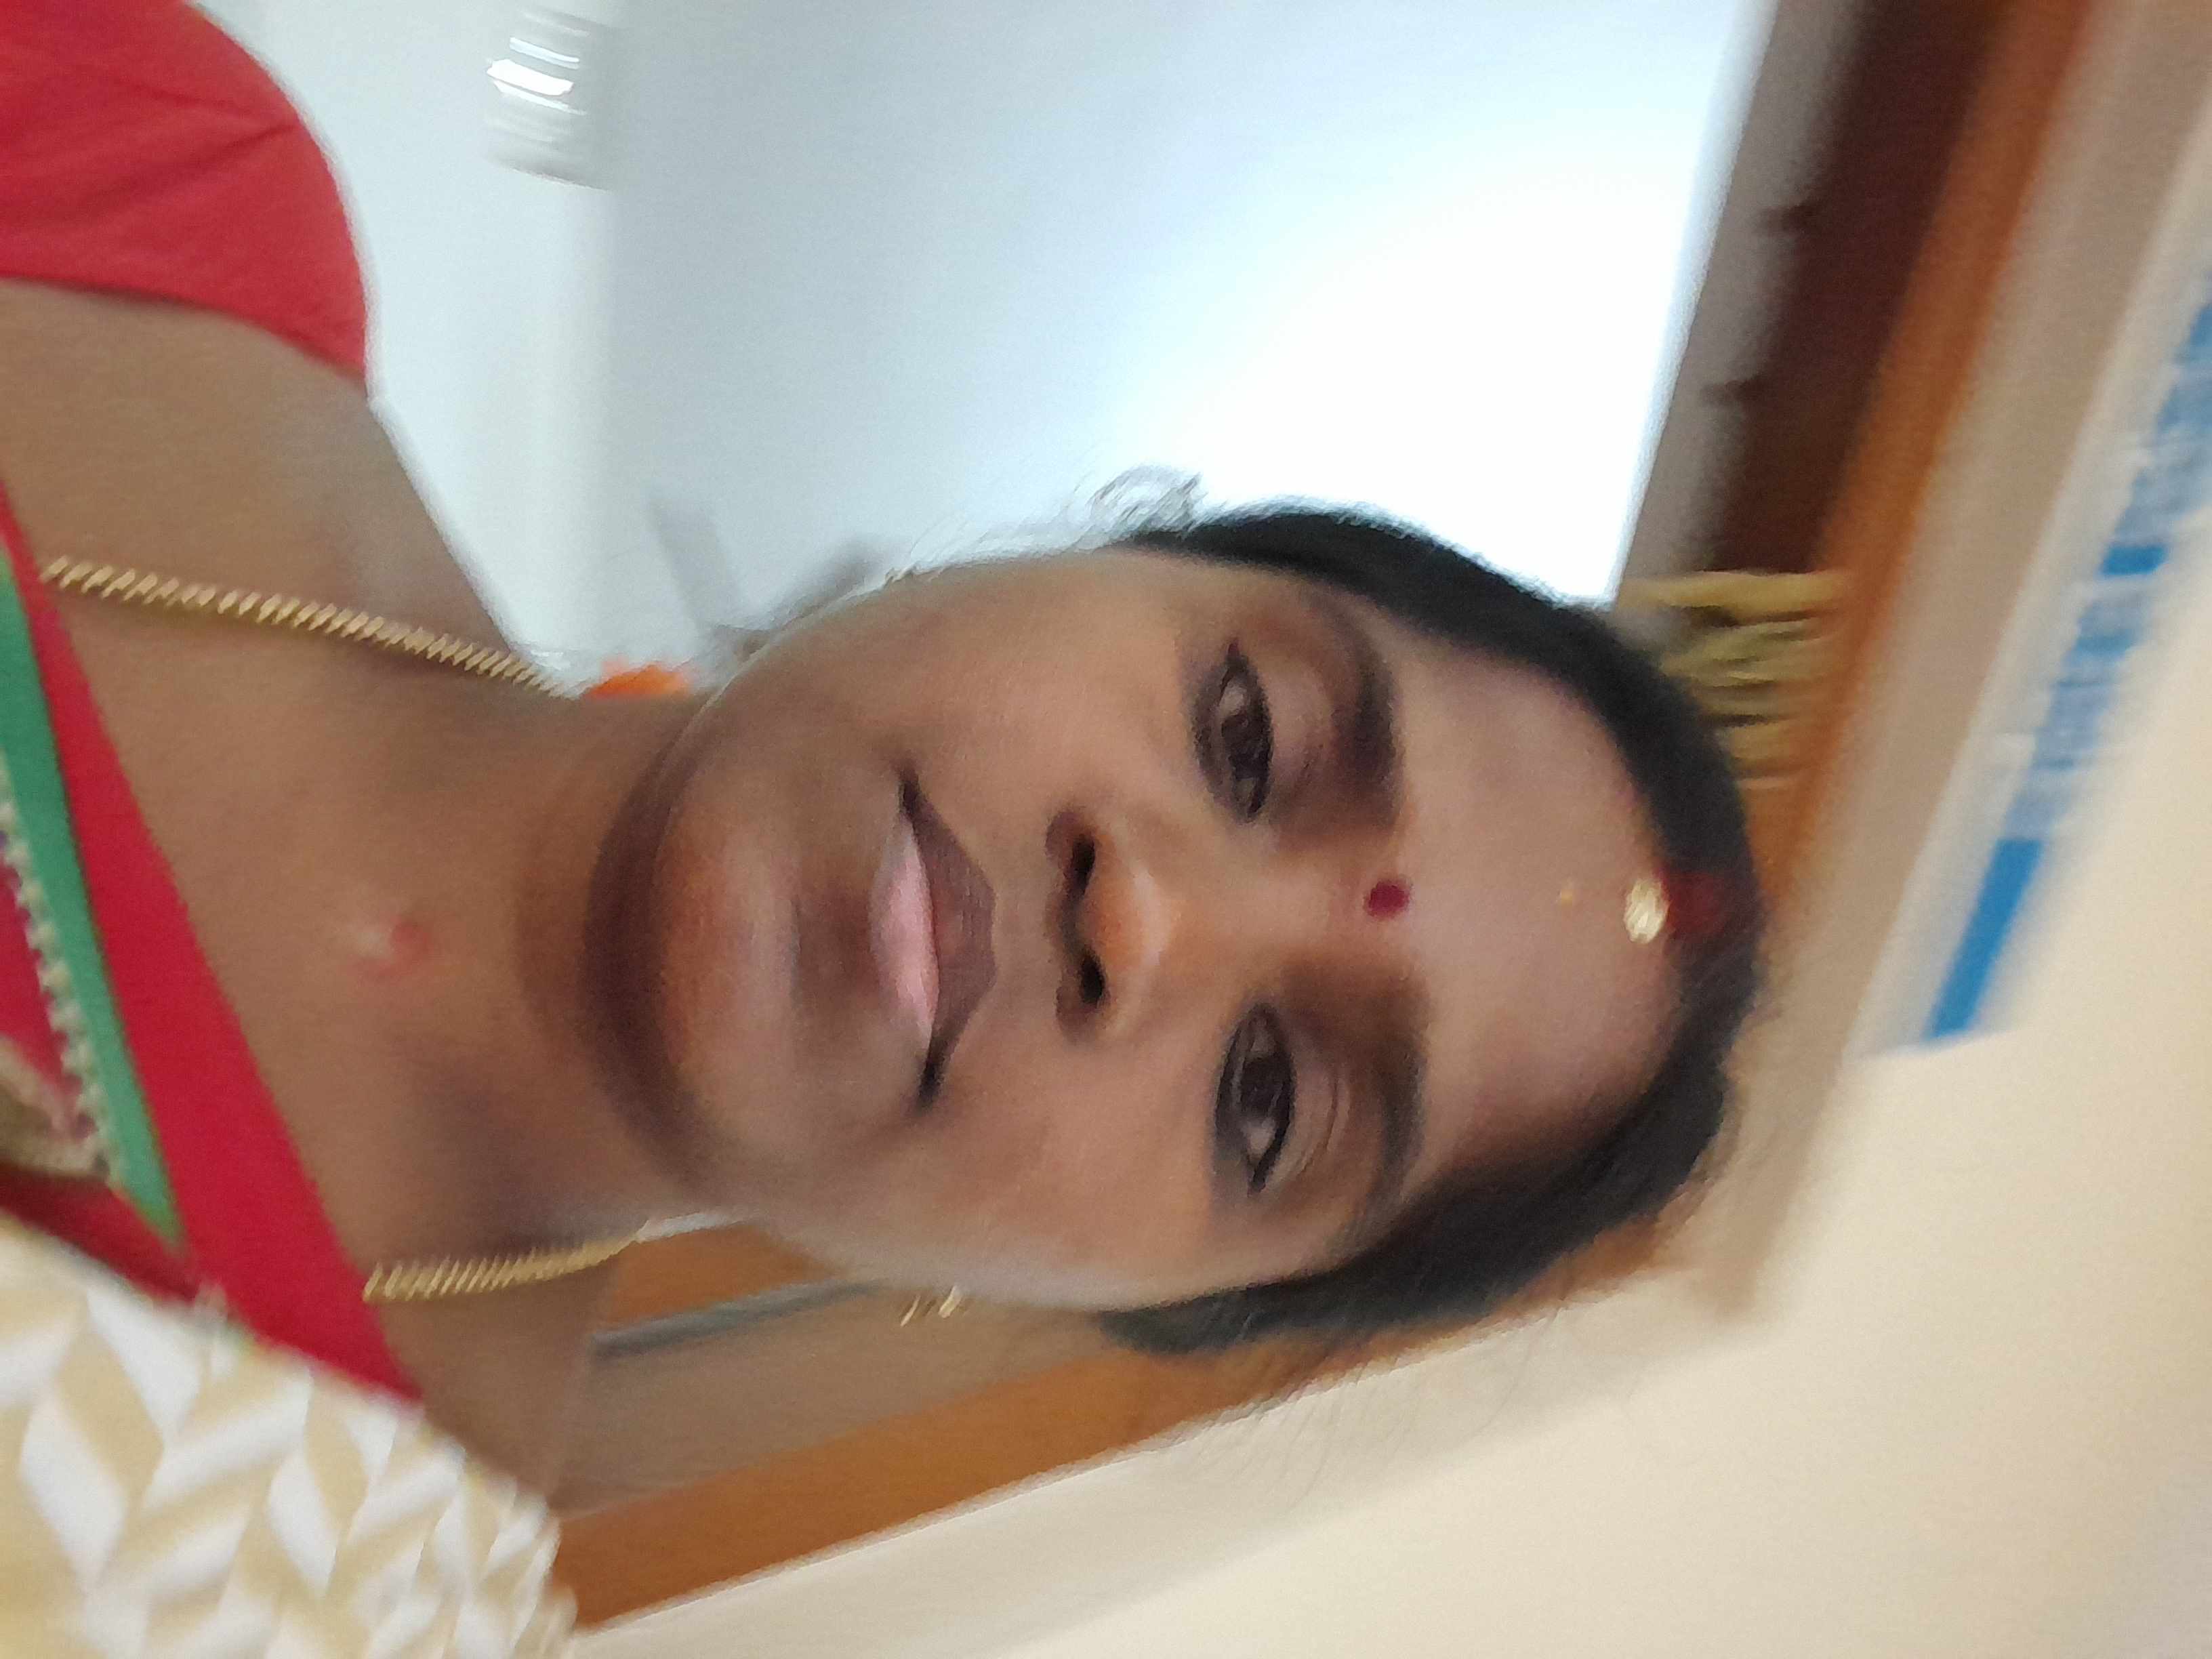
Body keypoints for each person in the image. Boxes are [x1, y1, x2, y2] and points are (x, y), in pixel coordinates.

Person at [0, 0, 1760, 1647]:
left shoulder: (306, 1595)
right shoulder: (161, 155)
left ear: (1135, 1302)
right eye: (1248, 738)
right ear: (1107, 554)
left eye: (1267, 1098)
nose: (1141, 918)